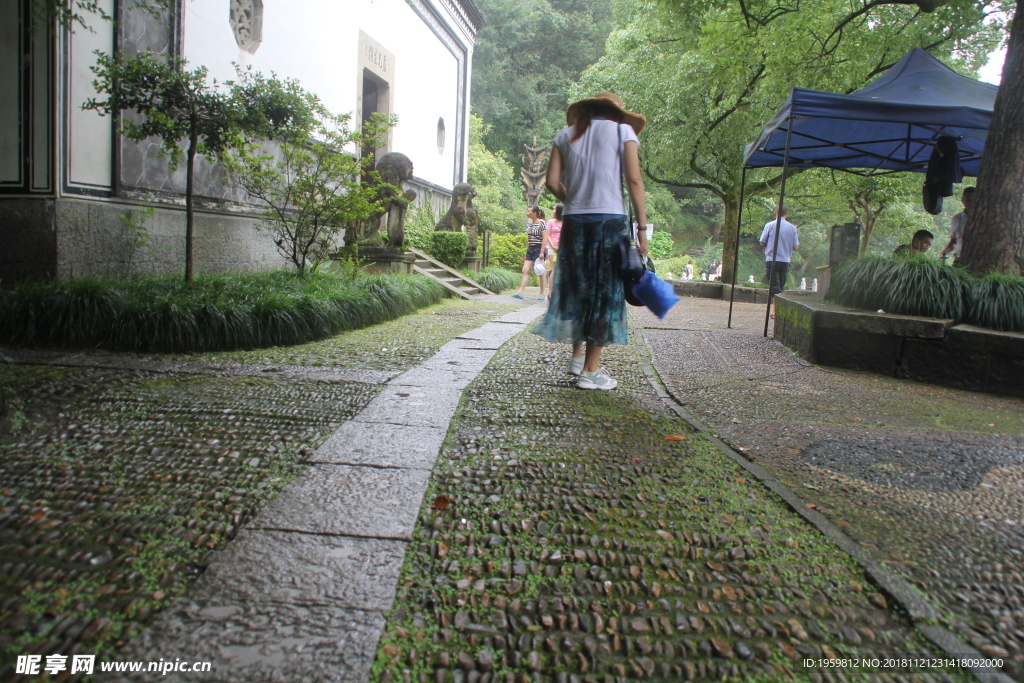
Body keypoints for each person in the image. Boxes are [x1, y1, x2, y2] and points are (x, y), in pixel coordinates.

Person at [533, 92, 648, 390]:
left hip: (575, 222)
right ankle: (591, 372)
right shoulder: (623, 131)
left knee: (579, 287)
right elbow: (634, 181)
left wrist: (576, 200)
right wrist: (642, 230)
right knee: (604, 292)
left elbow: (552, 182)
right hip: (610, 221)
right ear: (616, 113)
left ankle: (576, 358)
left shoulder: (565, 135)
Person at [759, 206, 799, 309]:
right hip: (785, 260)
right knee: (780, 285)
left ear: (775, 213)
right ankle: (775, 309)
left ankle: (776, 309)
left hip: (772, 258)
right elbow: (795, 246)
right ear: (786, 214)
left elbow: (762, 242)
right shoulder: (792, 228)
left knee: (775, 286)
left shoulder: (770, 225)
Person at [512, 206, 548, 300]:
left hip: (539, 248)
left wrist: (542, 252)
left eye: (529, 211)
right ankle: (521, 291)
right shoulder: (529, 223)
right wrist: (527, 249)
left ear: (534, 212)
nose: (527, 213)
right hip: (530, 249)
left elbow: (545, 237)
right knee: (525, 270)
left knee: (540, 271)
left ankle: (542, 293)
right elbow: (529, 238)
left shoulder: (542, 223)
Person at [940, 186, 975, 264]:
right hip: (960, 258)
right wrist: (944, 253)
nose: (971, 203)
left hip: (976, 260)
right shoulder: (957, 218)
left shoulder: (982, 218)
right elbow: (953, 241)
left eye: (974, 201)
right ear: (963, 200)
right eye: (969, 200)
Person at [544, 203, 563, 287]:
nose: (553, 210)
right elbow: (547, 235)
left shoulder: (565, 222)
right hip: (552, 248)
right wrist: (553, 246)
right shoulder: (550, 222)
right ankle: (551, 292)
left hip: (562, 247)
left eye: (555, 209)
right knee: (554, 269)